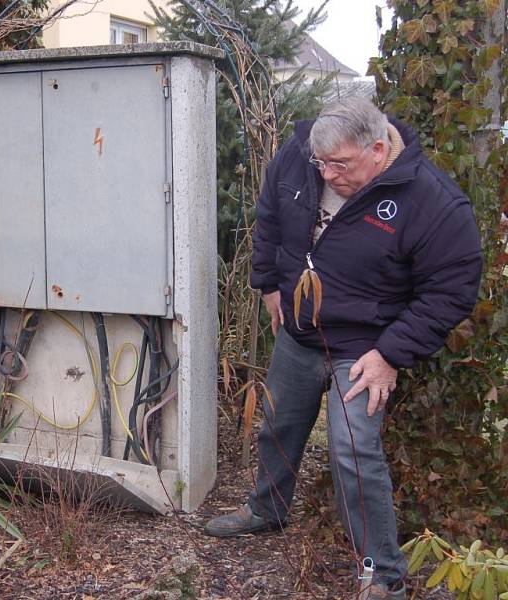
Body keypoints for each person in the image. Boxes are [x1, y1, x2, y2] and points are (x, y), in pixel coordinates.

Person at [204, 97, 482, 599]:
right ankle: (268, 509)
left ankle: (382, 574)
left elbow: (452, 290)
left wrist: (393, 353)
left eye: (341, 165)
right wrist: (268, 283)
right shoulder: (300, 156)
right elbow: (270, 217)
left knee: (352, 451)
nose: (327, 175)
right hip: (299, 330)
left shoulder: (431, 200)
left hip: (367, 346)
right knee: (278, 424)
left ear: (379, 150)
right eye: (321, 164)